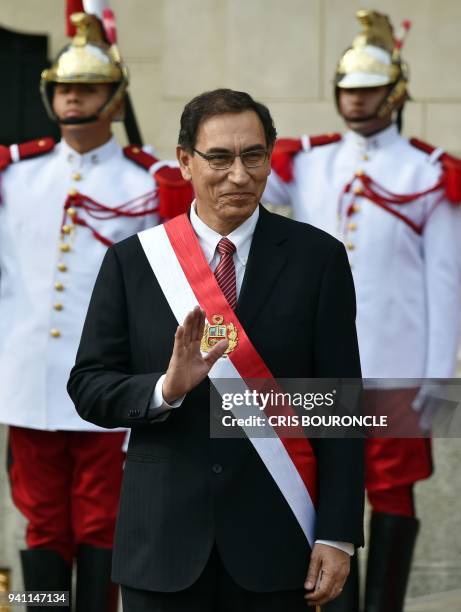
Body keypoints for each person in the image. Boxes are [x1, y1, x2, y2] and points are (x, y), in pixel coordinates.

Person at [68, 88, 364, 611]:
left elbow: (340, 406)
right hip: (162, 546)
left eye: (253, 156)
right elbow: (90, 387)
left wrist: (338, 534)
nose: (239, 174)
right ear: (185, 161)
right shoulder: (134, 263)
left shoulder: (319, 260)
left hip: (278, 542)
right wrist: (166, 388)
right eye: (220, 157)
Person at [263, 10, 461, 612]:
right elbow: (240, 191)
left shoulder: (427, 172)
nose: (356, 101)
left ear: (396, 92)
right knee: (318, 488)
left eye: (369, 89)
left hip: (396, 367)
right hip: (318, 365)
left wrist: (439, 380)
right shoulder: (308, 162)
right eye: (349, 89)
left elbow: (447, 284)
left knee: (392, 492)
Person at [0, 11, 189, 611]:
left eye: (86, 87)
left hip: (109, 382)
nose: (72, 97)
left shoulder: (150, 180)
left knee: (101, 523)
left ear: (115, 97)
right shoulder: (16, 175)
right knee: (43, 524)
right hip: (29, 382)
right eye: (63, 87)